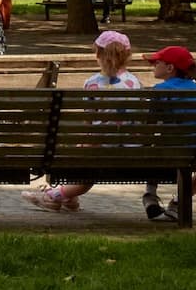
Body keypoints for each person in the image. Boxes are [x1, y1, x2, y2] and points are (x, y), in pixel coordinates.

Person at [23, 30, 143, 214]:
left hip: (101, 150)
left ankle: (54, 196)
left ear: (98, 54)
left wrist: (83, 142)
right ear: (127, 56)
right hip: (131, 150)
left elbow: (88, 121)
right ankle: (68, 196)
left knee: (83, 154)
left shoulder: (92, 83)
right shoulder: (135, 83)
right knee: (87, 152)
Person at [142, 44, 196, 222]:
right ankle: (177, 204)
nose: (153, 65)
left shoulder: (160, 90)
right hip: (193, 154)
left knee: (154, 146)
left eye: (156, 62)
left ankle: (150, 195)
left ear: (170, 68)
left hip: (164, 153)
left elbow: (148, 128)